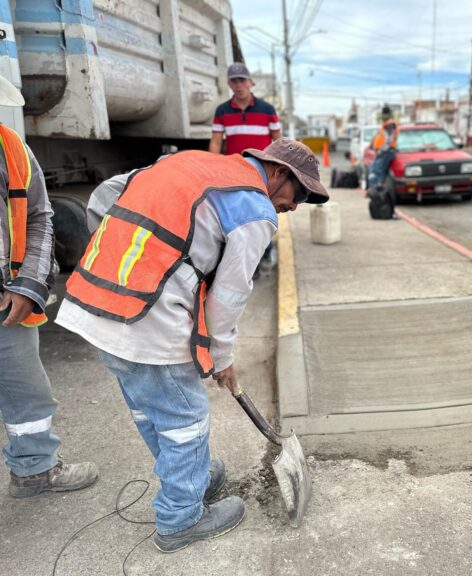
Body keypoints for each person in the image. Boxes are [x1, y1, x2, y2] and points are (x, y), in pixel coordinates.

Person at [56, 139, 328, 552]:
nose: (292, 208)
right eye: (297, 195)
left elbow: (106, 195)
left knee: (151, 407)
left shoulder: (191, 163)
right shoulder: (255, 209)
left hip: (96, 302)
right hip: (144, 316)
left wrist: (114, 256)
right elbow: (229, 296)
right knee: (185, 418)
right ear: (277, 172)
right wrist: (222, 357)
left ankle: (193, 478)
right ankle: (180, 518)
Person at [0, 75, 98, 498]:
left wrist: (28, 284)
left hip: (6, 295)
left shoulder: (11, 149)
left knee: (28, 392)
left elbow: (39, 216)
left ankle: (34, 470)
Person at [209, 62, 283, 271]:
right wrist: (212, 167)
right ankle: (245, 260)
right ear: (229, 84)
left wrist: (279, 168)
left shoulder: (267, 110)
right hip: (235, 170)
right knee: (238, 213)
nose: (238, 84)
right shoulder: (222, 111)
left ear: (250, 82)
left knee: (262, 210)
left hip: (263, 171)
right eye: (234, 80)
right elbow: (216, 141)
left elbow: (278, 140)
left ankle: (264, 251)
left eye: (242, 80)